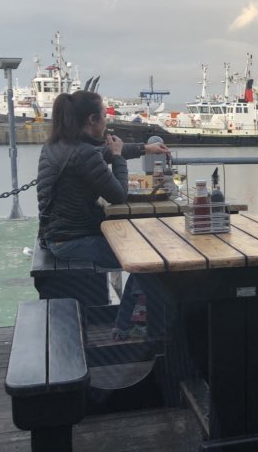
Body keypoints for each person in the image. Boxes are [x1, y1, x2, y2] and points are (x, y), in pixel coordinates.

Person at [36, 89, 170, 340]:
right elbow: (118, 194)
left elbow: (102, 154)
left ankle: (132, 320)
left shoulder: (58, 145)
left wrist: (145, 149)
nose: (108, 120)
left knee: (144, 250)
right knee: (149, 258)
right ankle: (129, 326)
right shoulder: (82, 153)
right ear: (91, 120)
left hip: (56, 234)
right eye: (104, 116)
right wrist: (119, 157)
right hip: (71, 241)